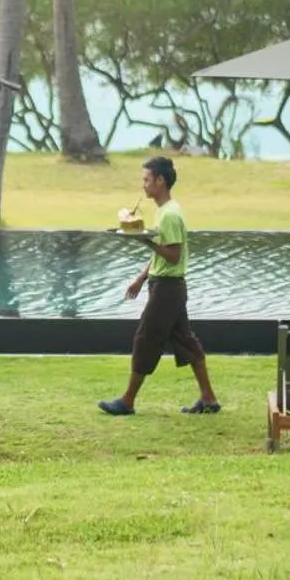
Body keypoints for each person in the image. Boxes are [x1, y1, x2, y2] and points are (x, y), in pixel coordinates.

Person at [98, 155, 221, 416]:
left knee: (145, 339)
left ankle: (127, 401)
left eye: (146, 180)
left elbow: (173, 255)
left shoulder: (170, 216)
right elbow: (161, 252)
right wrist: (142, 277)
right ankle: (209, 399)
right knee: (187, 342)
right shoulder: (163, 211)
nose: (143, 185)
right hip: (164, 285)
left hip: (168, 289)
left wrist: (144, 241)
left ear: (160, 181)